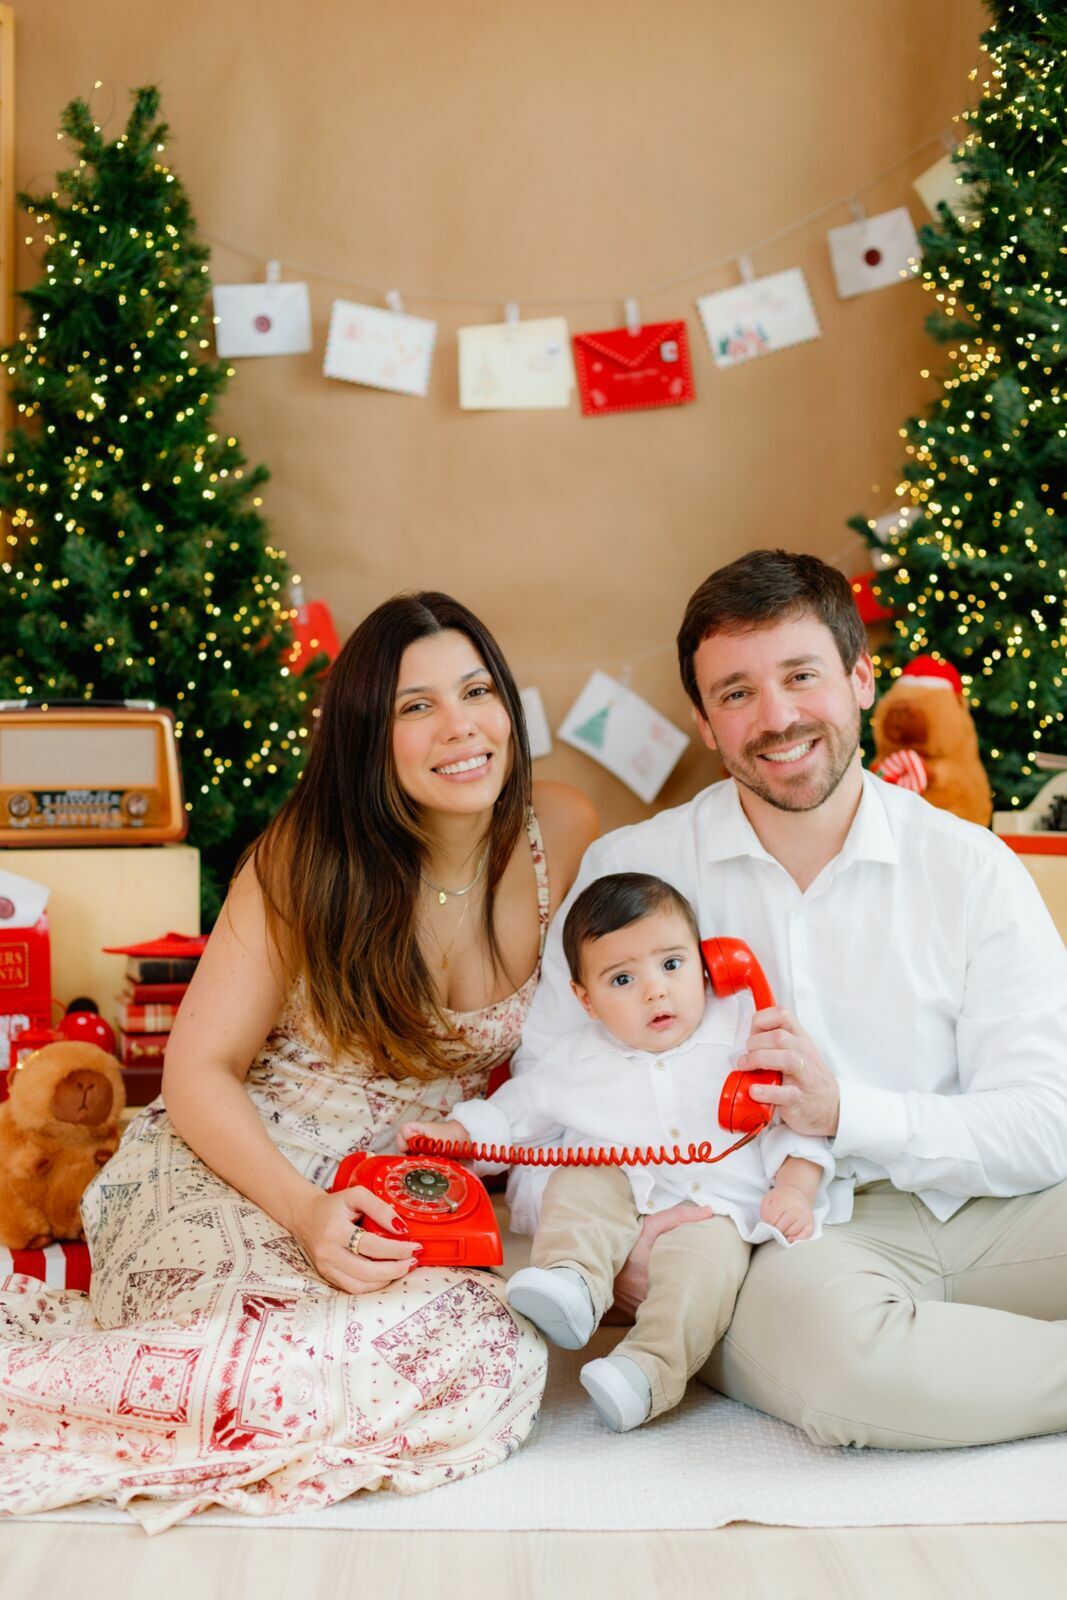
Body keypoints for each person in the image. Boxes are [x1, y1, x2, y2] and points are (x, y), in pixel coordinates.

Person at [0, 591, 597, 1528]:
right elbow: (199, 1071)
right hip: (236, 1164)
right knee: (253, 1362)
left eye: (477, 690)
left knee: (490, 1356)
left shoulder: (559, 831)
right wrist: (305, 1210)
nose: (461, 727)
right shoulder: (303, 857)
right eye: (415, 707)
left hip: (407, 1186)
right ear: (368, 735)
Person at [509, 549, 1067, 1451]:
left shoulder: (970, 868)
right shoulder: (629, 874)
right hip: (774, 1243)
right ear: (702, 722)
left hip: (985, 1209)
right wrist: (624, 1245)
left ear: (857, 678)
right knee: (858, 1377)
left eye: (800, 676)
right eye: (734, 693)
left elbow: (1044, 1124)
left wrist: (848, 1113)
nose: (775, 718)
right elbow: (541, 1114)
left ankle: (979, 1358)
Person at [400, 871, 831, 1434]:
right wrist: (458, 1135)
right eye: (623, 978)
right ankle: (571, 1280)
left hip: (716, 1213)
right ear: (586, 1000)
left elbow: (795, 1119)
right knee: (583, 1177)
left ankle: (645, 1374)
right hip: (620, 1191)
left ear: (709, 966)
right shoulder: (576, 1059)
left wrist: (795, 1188)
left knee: (701, 1276)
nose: (655, 990)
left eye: (672, 965)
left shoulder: (745, 1037)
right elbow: (515, 1112)